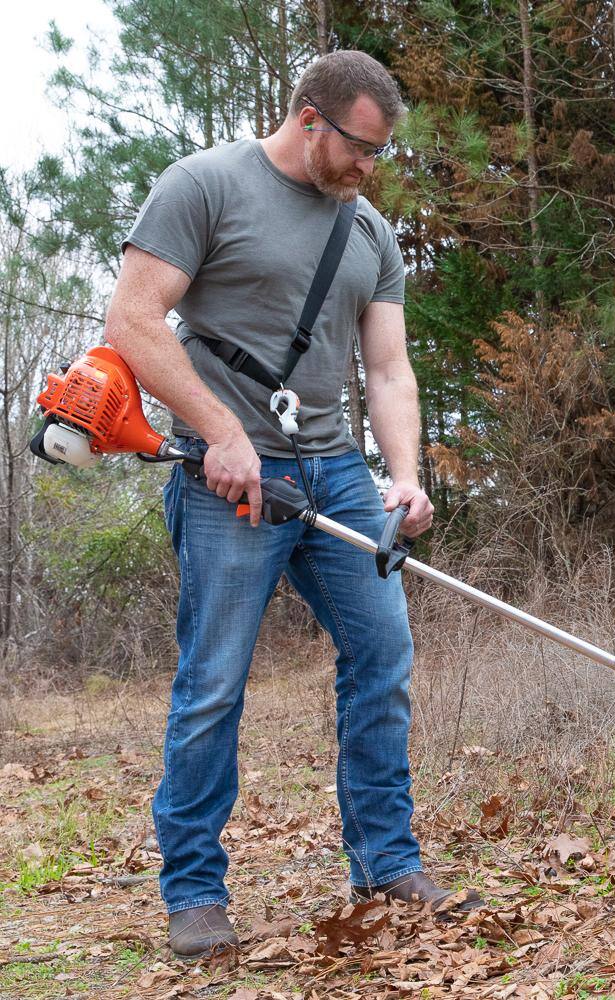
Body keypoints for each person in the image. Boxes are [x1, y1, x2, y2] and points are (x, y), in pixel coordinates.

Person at [105, 50, 481, 959]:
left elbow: (388, 368)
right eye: (359, 147)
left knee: (384, 655)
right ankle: (194, 891)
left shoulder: (368, 232)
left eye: (381, 153)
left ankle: (387, 861)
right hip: (225, 478)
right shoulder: (202, 186)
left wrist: (404, 473)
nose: (369, 168)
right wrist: (219, 432)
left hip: (334, 472)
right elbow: (134, 322)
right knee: (214, 683)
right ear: (310, 118)